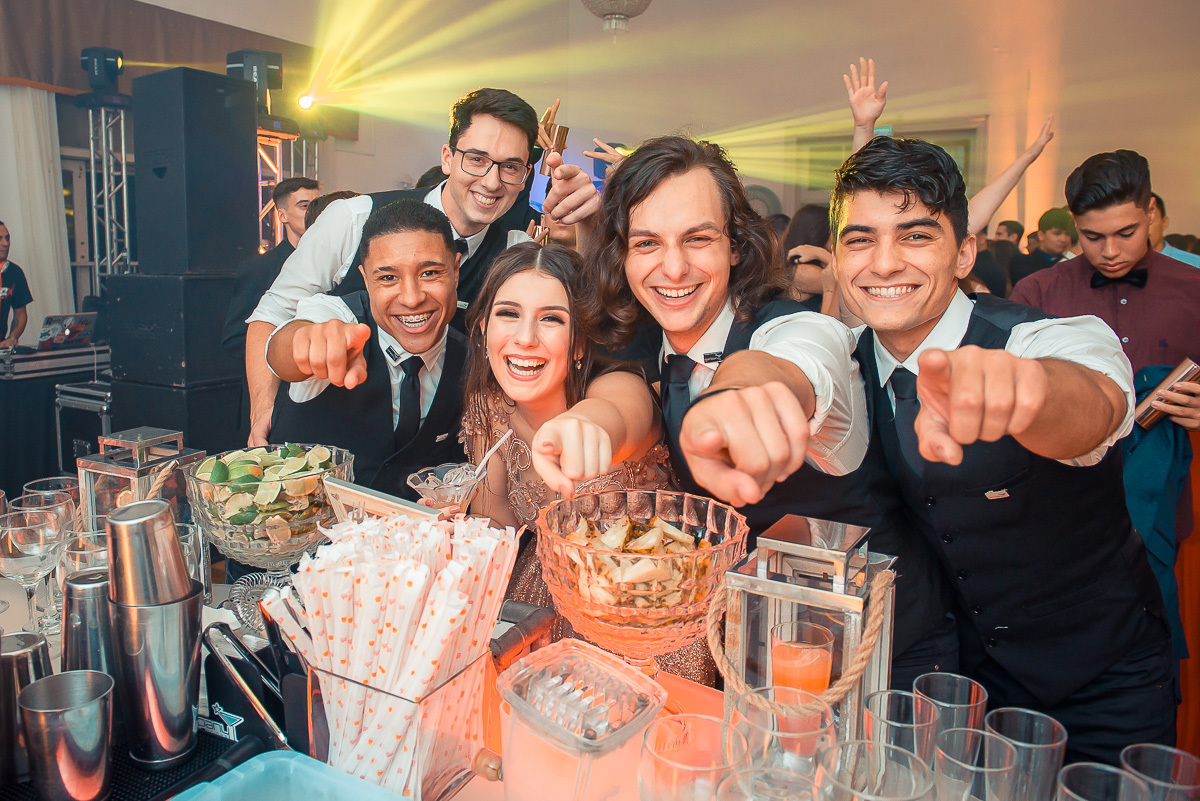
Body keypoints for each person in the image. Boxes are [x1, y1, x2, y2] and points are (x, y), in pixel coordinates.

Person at [833, 136, 1174, 764]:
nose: (883, 264)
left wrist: (1031, 391)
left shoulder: (1039, 337)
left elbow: (1096, 402)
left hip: (1104, 677)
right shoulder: (846, 364)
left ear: (964, 252)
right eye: (860, 240)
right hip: (961, 685)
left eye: (915, 236)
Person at [583, 135, 958, 688]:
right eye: (647, 244)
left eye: (698, 239)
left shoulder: (793, 325)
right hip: (757, 649)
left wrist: (741, 392)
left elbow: (797, 360)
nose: (674, 266)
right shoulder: (646, 347)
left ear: (735, 246)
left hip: (885, 657)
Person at [244, 88, 602, 446]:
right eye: (476, 159)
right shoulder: (353, 219)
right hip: (323, 442)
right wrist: (263, 409)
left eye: (510, 167)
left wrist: (585, 229)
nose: (492, 182)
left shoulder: (514, 251)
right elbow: (273, 314)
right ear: (447, 157)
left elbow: (579, 328)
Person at [455, 242, 714, 680]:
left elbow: (616, 416)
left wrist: (587, 425)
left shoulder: (620, 386)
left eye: (551, 319)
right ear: (482, 329)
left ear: (579, 344)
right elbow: (496, 533)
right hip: (538, 608)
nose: (525, 338)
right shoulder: (489, 412)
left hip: (648, 619)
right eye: (508, 314)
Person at [1010, 150, 1200, 660]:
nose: (1111, 251)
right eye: (1093, 238)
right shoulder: (1037, 292)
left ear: (1152, 214)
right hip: (1058, 512)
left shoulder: (1194, 291)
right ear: (1074, 226)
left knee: (1148, 659)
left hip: (1160, 512)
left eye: (1126, 233)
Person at [265, 199, 468, 498]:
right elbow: (284, 349)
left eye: (429, 273)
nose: (411, 298)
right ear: (366, 280)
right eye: (388, 278)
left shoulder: (471, 350)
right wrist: (311, 341)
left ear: (455, 271)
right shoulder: (337, 313)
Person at [222, 178, 321, 434]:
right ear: (282, 215)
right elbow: (235, 337)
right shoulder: (259, 268)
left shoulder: (331, 264)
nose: (313, 212)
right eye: (304, 205)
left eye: (317, 204)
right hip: (275, 398)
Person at [780, 204, 840, 316]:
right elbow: (846, 284)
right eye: (834, 230)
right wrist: (821, 253)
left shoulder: (812, 266)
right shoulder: (803, 270)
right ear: (820, 231)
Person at [1008, 207, 1074, 284]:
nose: (1063, 239)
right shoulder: (1021, 262)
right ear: (1041, 235)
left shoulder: (1071, 264)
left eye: (1067, 234)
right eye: (1057, 233)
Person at [0, 221, 32, 348]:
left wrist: (12, 337)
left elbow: (20, 313)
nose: (6, 243)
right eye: (0, 239)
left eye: (7, 238)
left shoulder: (15, 272)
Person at [1149, 193, 1200, 268]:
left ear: (1164, 222)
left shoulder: (1194, 265)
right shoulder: (1126, 268)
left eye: (1149, 219)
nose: (1142, 228)